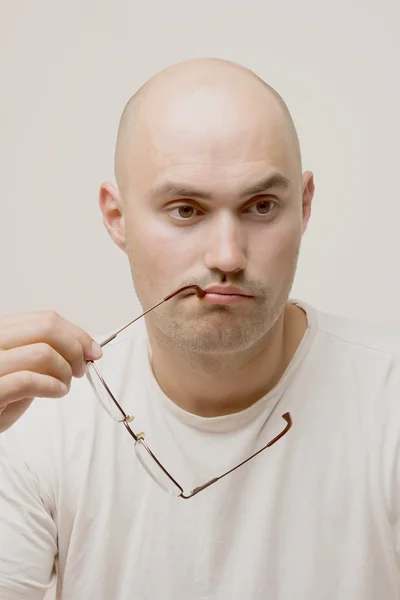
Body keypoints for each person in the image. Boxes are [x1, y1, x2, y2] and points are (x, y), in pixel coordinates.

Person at [0, 57, 400, 600]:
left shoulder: (389, 402)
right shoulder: (31, 420)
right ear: (117, 218)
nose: (228, 256)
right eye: (186, 210)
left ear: (303, 206)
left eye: (261, 206)